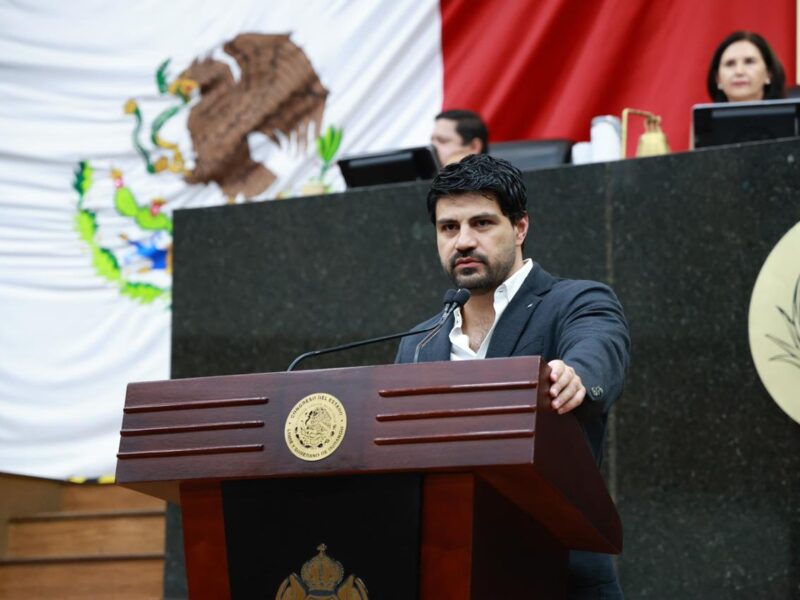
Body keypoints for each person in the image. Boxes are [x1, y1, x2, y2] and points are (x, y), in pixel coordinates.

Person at [396, 154, 630, 599]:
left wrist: (577, 375)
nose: (463, 241)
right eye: (449, 227)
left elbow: (599, 348)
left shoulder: (575, 301)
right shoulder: (418, 342)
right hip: (445, 574)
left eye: (482, 223)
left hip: (557, 576)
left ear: (520, 227)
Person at [707, 31, 787, 103]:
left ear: (769, 74)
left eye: (749, 62)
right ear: (718, 79)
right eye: (730, 64)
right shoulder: (703, 115)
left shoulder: (792, 115)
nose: (739, 71)